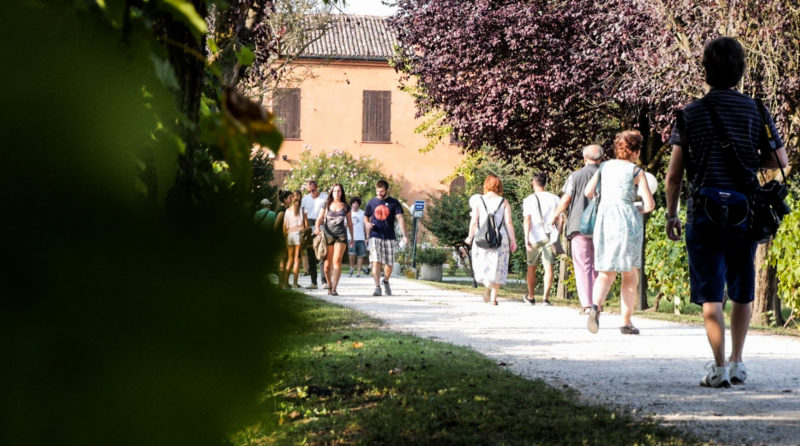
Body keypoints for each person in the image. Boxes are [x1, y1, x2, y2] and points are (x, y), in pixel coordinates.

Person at [665, 37, 788, 388]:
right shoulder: (757, 110)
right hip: (743, 211)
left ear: (705, 69)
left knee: (709, 292)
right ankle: (737, 362)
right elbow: (780, 161)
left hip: (703, 210)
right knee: (742, 288)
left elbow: (674, 174)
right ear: (740, 70)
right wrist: (750, 159)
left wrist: (672, 214)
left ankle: (717, 368)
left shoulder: (689, 114)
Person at [584, 130, 654, 335]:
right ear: (636, 151)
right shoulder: (636, 172)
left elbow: (588, 192)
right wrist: (637, 207)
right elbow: (649, 205)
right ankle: (626, 321)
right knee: (629, 274)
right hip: (626, 223)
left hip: (605, 222)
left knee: (605, 272)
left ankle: (595, 306)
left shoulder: (604, 167)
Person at [551, 145, 604, 313]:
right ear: (601, 158)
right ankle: (598, 302)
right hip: (602, 226)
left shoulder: (575, 176)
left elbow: (566, 199)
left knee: (583, 265)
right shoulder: (606, 175)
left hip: (579, 225)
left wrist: (555, 215)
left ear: (584, 158)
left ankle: (588, 305)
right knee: (599, 265)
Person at [464, 174, 518, 305]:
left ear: (486, 185)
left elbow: (474, 221)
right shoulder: (504, 202)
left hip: (483, 236)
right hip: (500, 238)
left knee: (481, 262)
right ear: (499, 186)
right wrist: (513, 240)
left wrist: (470, 237)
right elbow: (509, 222)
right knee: (498, 266)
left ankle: (487, 284)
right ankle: (494, 298)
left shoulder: (479, 200)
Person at [522, 172, 562, 305]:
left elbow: (527, 220)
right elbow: (561, 219)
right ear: (545, 183)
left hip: (534, 237)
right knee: (548, 267)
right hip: (550, 237)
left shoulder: (529, 199)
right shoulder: (555, 198)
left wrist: (526, 238)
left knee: (531, 267)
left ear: (533, 183)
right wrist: (558, 233)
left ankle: (531, 296)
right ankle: (546, 298)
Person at [364, 179, 408, 296]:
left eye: (382, 191)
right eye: (378, 191)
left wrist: (404, 235)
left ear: (386, 190)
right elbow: (366, 216)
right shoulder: (371, 202)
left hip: (389, 236)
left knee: (389, 263)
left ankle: (386, 281)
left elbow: (400, 219)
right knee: (376, 261)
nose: (379, 193)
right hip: (375, 235)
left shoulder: (394, 203)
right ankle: (377, 287)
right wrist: (367, 223)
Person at [315, 184, 353, 296]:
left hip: (341, 236)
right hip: (328, 236)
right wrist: (317, 228)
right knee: (326, 266)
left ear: (342, 192)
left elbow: (350, 223)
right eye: (335, 191)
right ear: (332, 192)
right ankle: (329, 286)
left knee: (337, 261)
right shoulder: (326, 204)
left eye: (339, 191)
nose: (337, 193)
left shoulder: (346, 206)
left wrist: (352, 237)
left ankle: (334, 288)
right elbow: (319, 218)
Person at [301, 180, 328, 289]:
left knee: (322, 253)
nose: (311, 192)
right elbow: (303, 215)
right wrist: (304, 230)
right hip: (309, 226)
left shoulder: (325, 197)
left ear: (317, 188)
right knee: (311, 255)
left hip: (321, 225)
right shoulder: (305, 199)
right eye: (309, 190)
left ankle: (324, 281)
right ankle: (313, 282)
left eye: (313, 190)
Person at [281, 191, 306, 288]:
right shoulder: (302, 211)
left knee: (289, 260)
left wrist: (285, 237)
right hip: (298, 236)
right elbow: (304, 226)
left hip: (289, 235)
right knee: (297, 260)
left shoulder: (287, 211)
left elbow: (284, 227)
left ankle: (286, 283)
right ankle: (295, 283)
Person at [348, 197, 367, 277]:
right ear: (351, 204)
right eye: (354, 203)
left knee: (360, 255)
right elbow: (345, 224)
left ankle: (358, 272)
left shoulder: (363, 213)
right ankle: (352, 267)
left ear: (359, 204)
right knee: (352, 254)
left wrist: (367, 237)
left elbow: (366, 225)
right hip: (351, 238)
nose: (355, 205)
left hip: (361, 237)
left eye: (357, 203)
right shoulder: (348, 213)